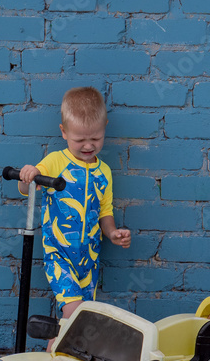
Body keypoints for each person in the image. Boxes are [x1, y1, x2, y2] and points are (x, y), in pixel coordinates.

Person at [18, 86, 131, 319]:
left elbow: (105, 212)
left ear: (104, 128)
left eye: (96, 138)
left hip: (89, 258)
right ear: (64, 132)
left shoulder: (104, 172)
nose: (88, 146)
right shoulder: (56, 161)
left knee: (79, 323)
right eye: (80, 139)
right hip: (59, 254)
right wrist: (27, 175)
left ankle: (54, 348)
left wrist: (112, 233)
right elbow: (27, 188)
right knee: (74, 313)